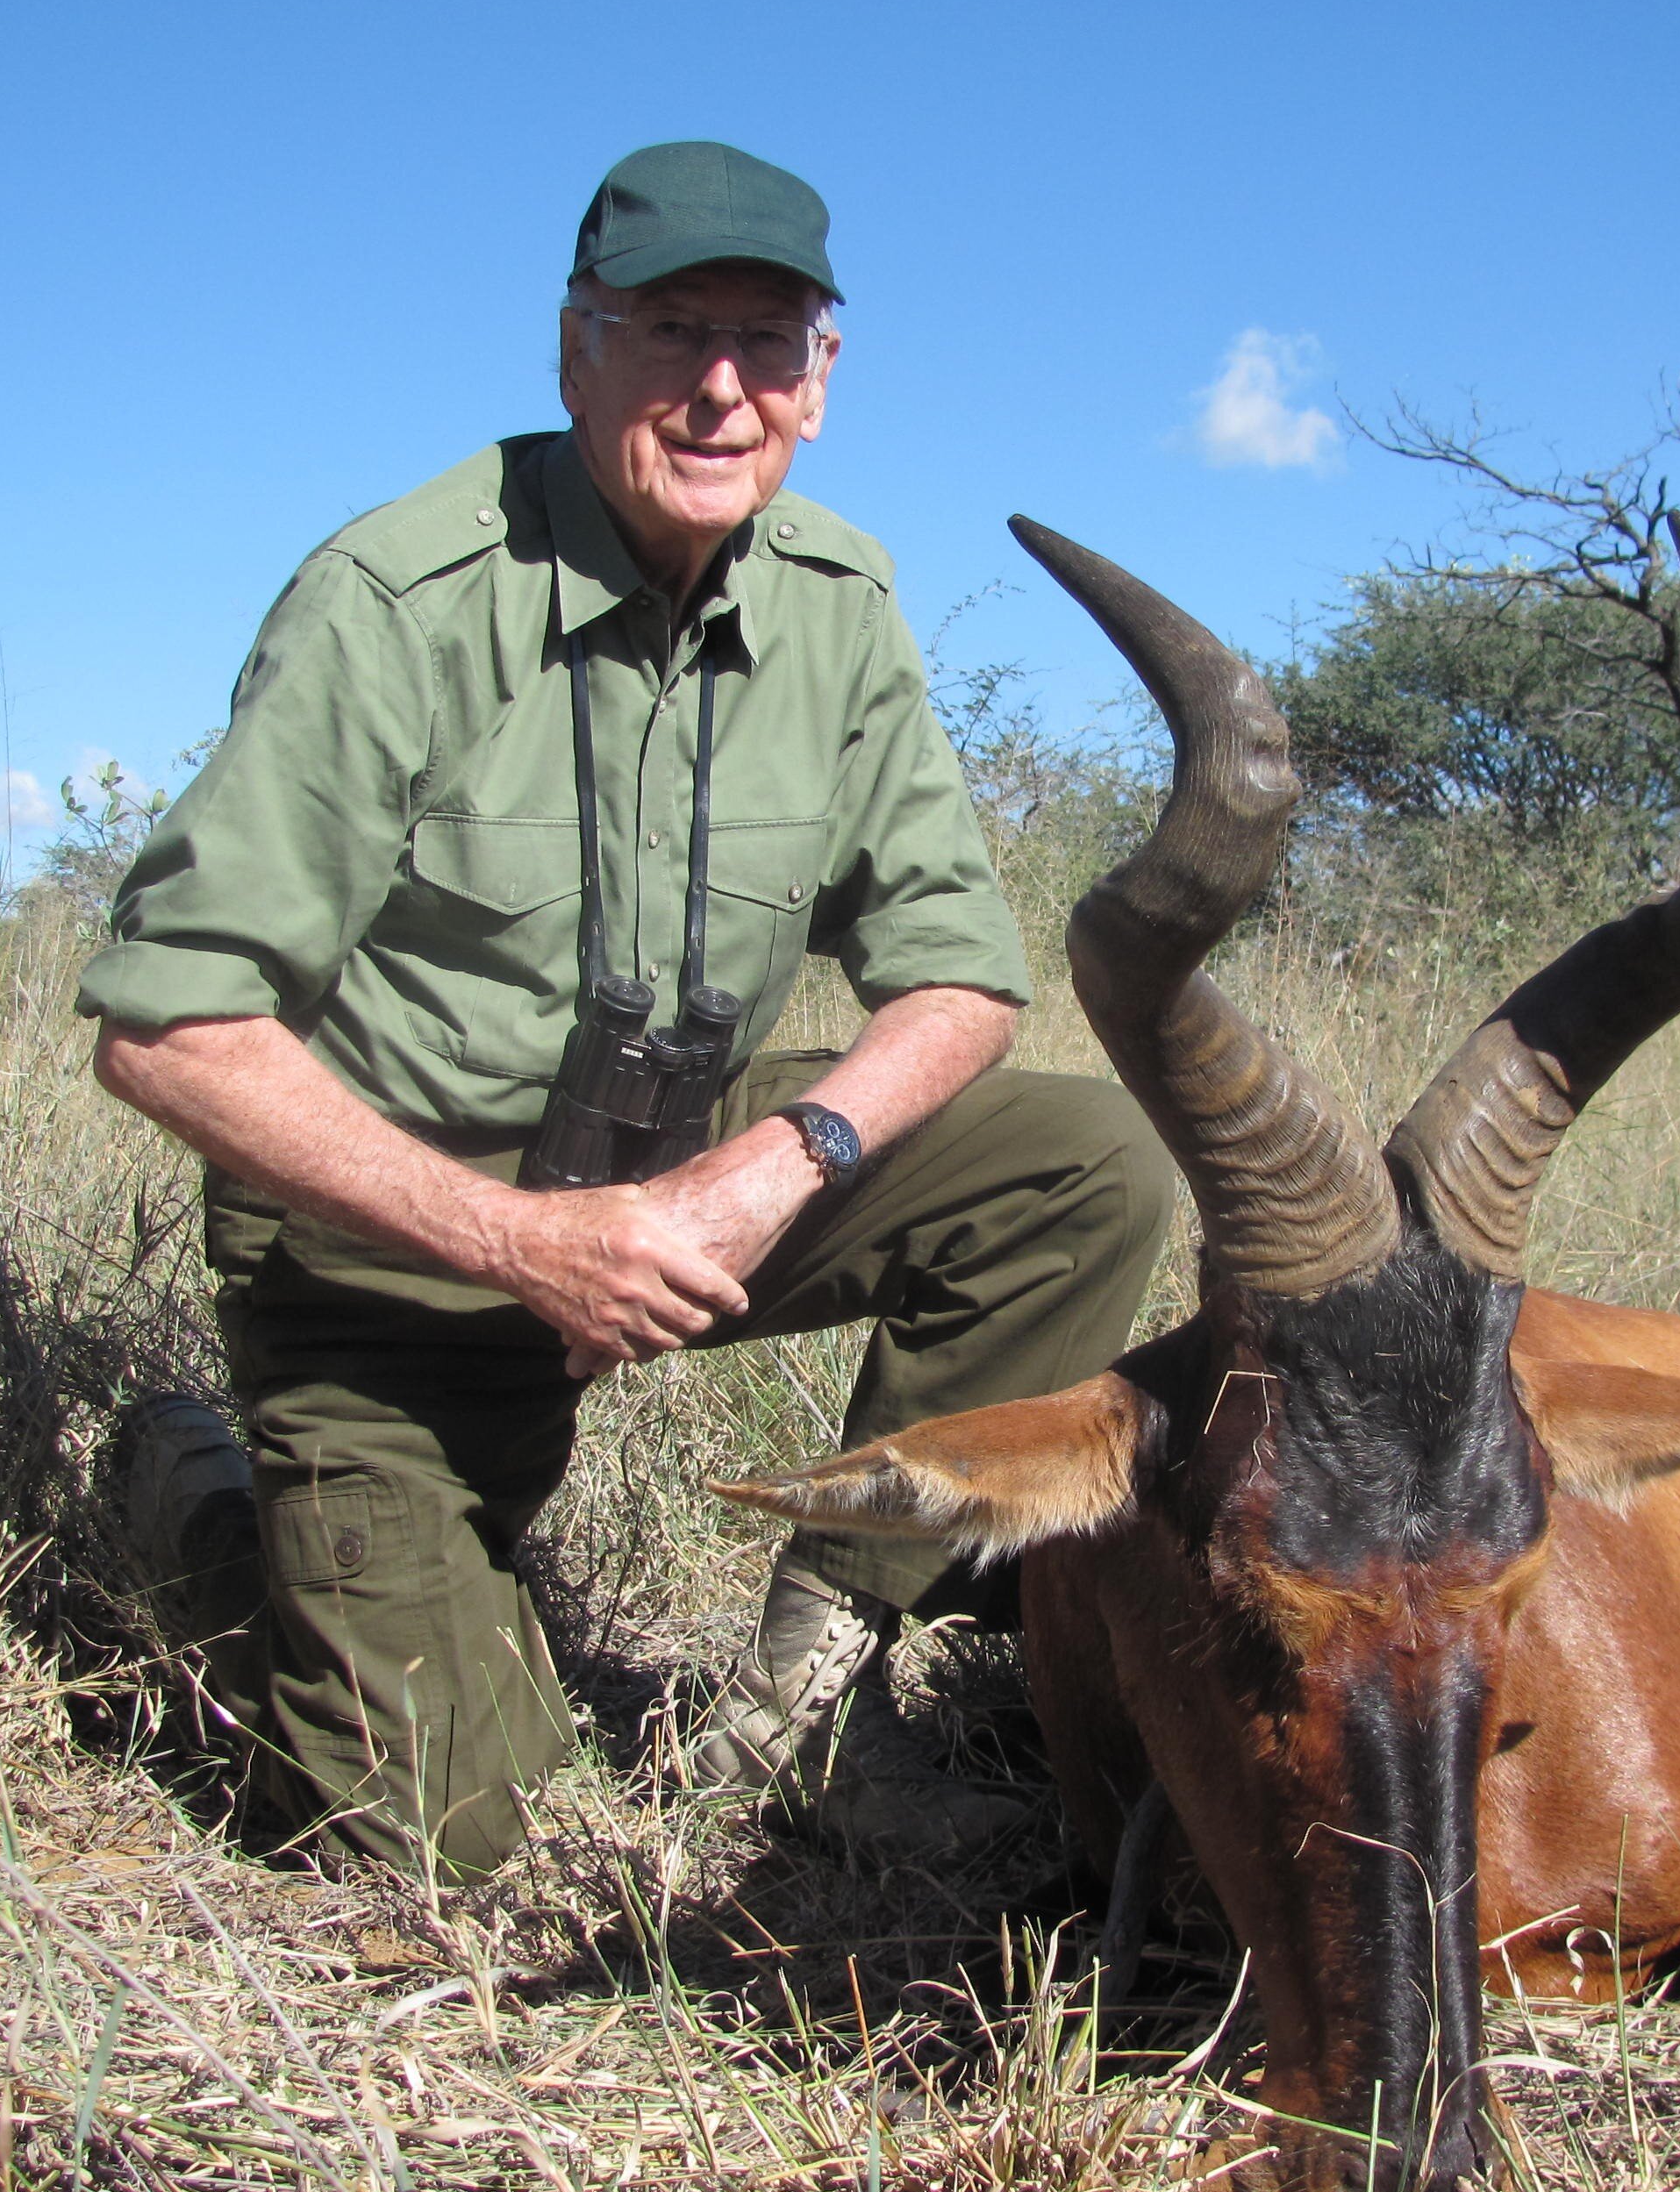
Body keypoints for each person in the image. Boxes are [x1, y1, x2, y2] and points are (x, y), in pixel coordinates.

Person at [78, 140, 1168, 1882]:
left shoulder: (844, 600)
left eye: (767, 337)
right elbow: (170, 1024)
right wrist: (517, 1240)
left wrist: (778, 1166)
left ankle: (824, 1666)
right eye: (671, 332)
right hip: (392, 1267)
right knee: (452, 1856)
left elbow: (960, 979)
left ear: (826, 375)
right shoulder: (397, 599)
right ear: (576, 350)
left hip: (680, 1197)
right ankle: (213, 1512)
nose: (720, 387)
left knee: (1087, 1165)